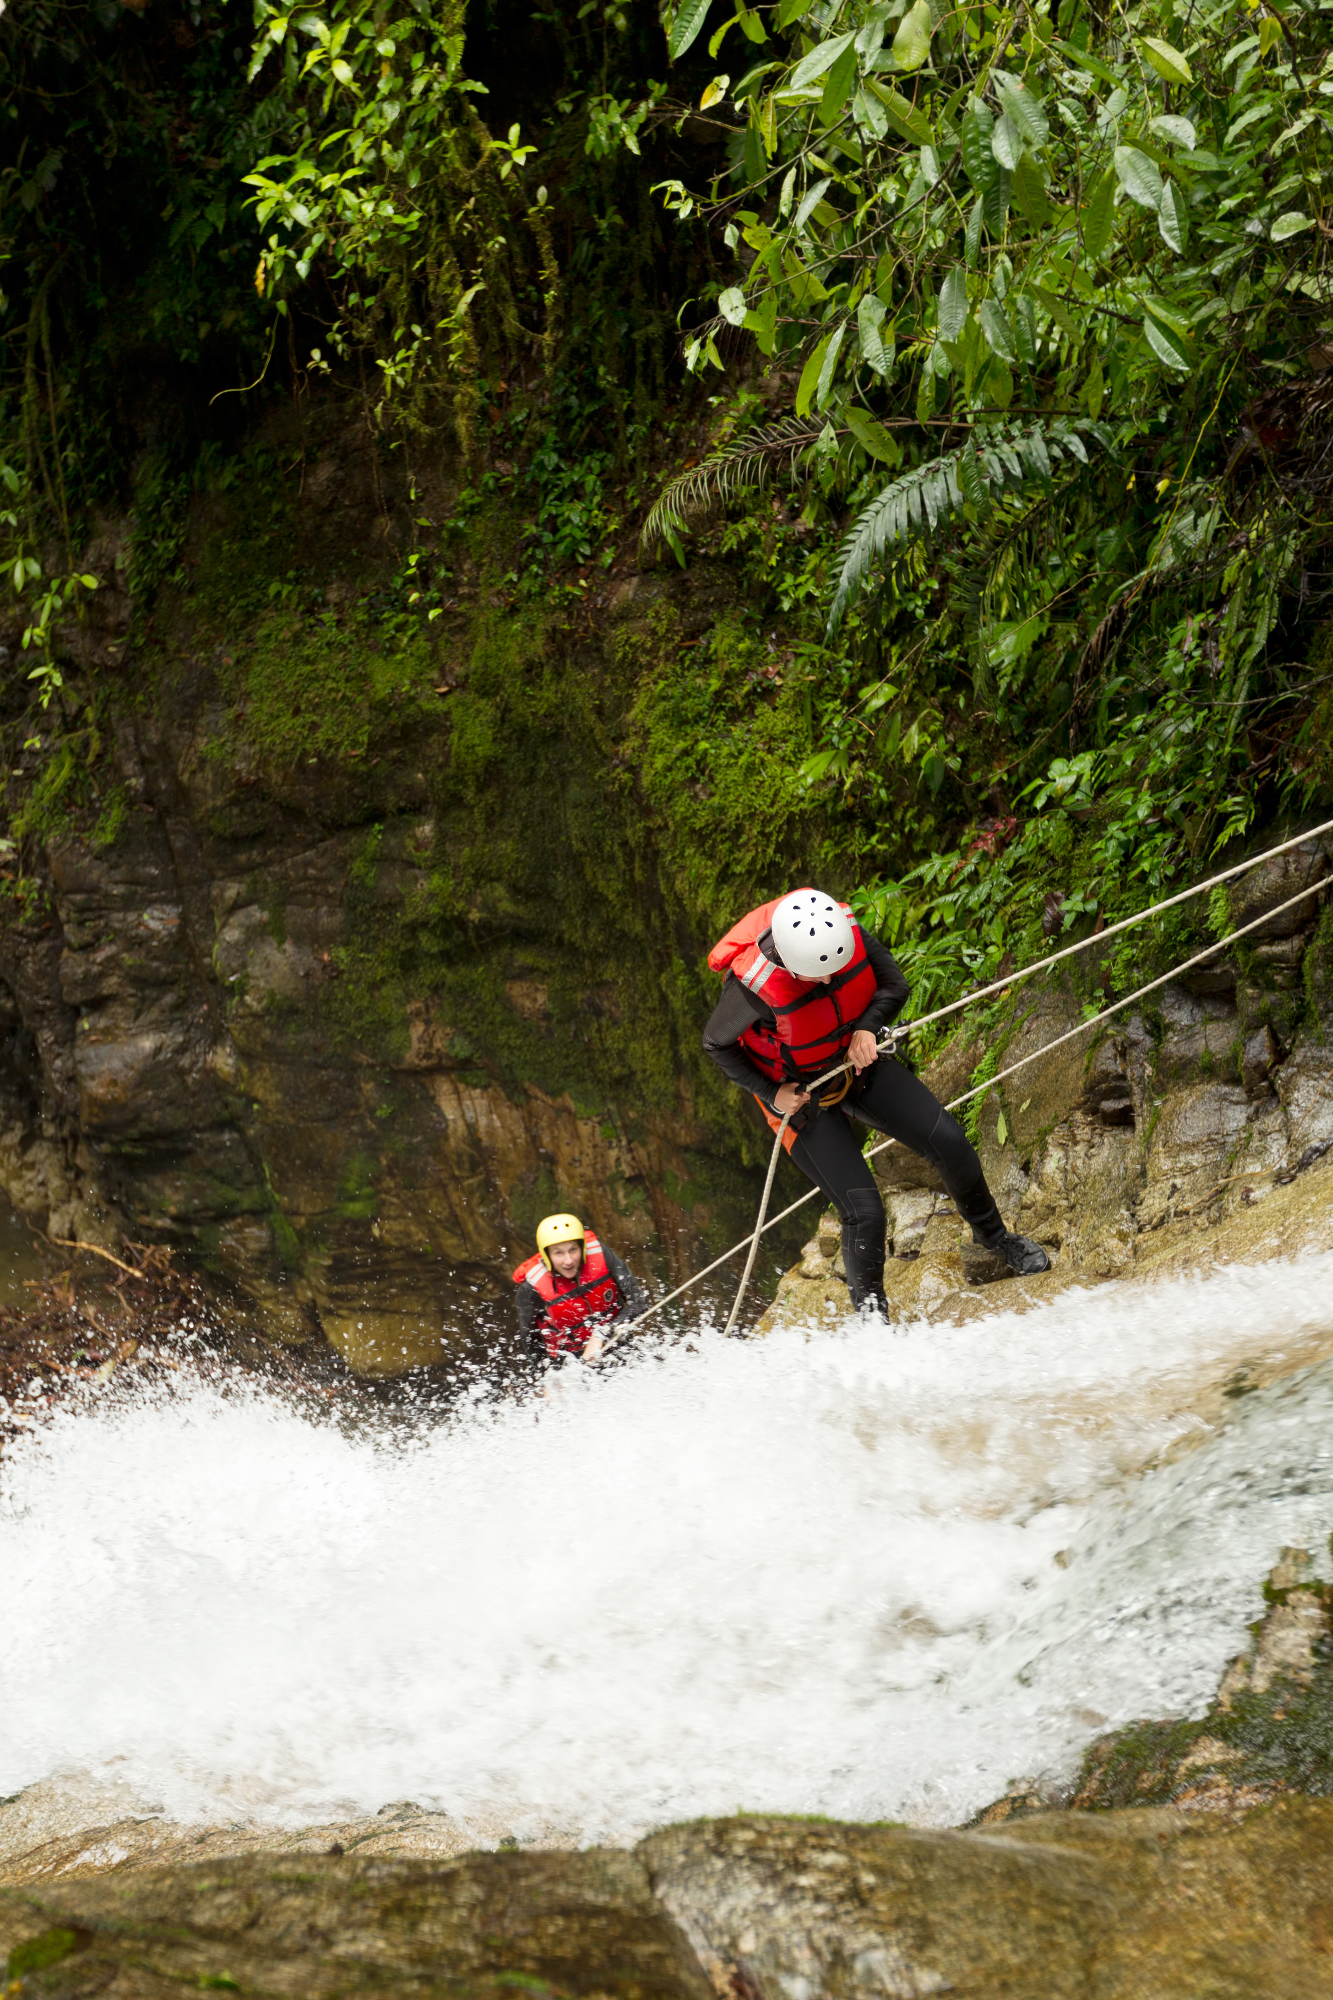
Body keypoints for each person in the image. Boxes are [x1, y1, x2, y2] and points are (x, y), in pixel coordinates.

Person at [702, 887, 1050, 1317]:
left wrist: (867, 1027)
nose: (829, 979)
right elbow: (716, 1043)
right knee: (864, 1212)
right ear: (791, 964)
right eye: (816, 974)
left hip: (856, 1061)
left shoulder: (842, 932)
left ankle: (995, 1239)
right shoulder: (751, 989)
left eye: (833, 968)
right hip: (801, 1100)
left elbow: (894, 984)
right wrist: (772, 1092)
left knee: (950, 1141)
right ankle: (873, 1325)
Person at [512, 1211, 649, 1367]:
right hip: (571, 1366)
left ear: (582, 1248)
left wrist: (602, 1333)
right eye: (558, 1253)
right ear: (547, 1256)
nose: (568, 1261)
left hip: (615, 1344)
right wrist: (545, 1379)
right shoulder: (531, 1290)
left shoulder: (603, 1255)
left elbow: (638, 1302)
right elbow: (530, 1343)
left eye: (573, 1250)